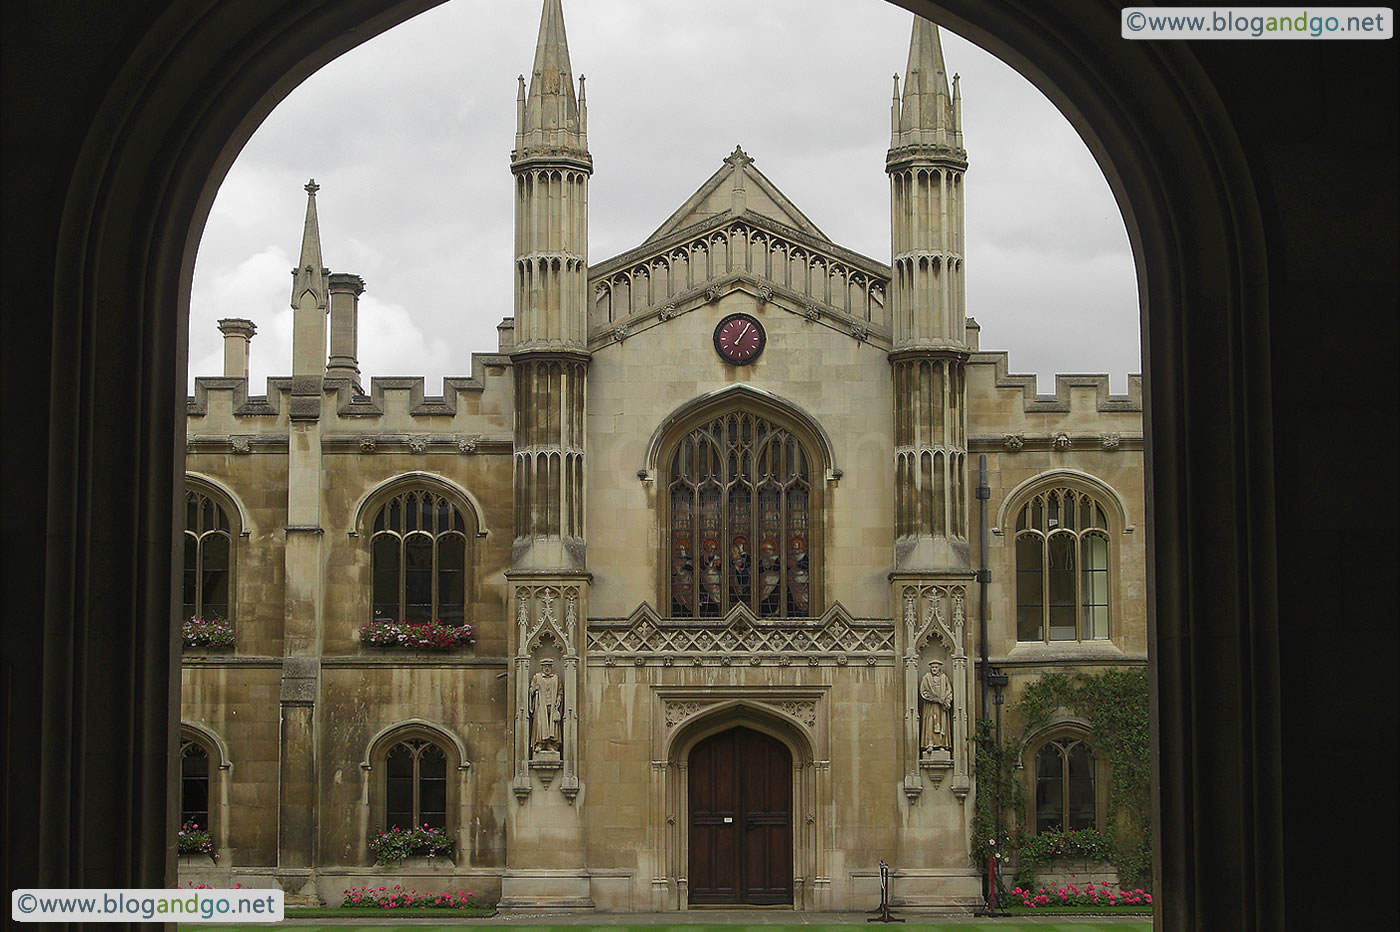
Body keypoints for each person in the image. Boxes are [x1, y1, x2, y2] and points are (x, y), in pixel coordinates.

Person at [919, 659, 953, 755]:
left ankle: (941, 745)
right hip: (930, 706)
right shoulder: (926, 678)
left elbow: (949, 691)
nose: (934, 669)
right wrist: (936, 699)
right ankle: (929, 744)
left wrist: (946, 701)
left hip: (942, 708)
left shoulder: (944, 678)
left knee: (942, 725)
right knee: (930, 724)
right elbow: (924, 692)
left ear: (939, 668)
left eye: (936, 667)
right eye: (933, 667)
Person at [529, 657, 563, 753]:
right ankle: (540, 743)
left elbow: (560, 691)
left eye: (549, 666)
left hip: (552, 705)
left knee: (552, 724)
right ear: (542, 667)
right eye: (545, 666)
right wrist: (534, 689)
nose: (547, 668)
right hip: (540, 705)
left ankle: (550, 744)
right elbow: (531, 691)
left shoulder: (556, 678)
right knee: (541, 724)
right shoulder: (537, 677)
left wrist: (558, 699)